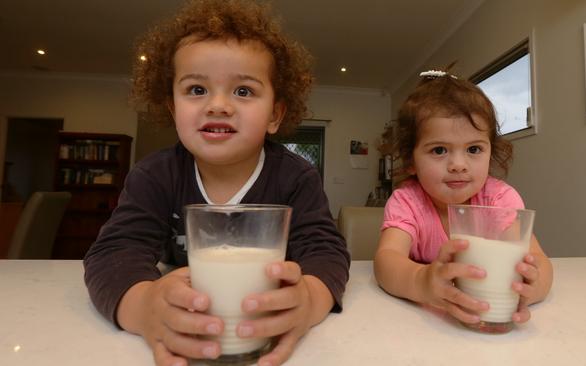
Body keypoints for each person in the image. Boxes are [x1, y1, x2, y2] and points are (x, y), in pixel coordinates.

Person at [83, 1, 350, 365]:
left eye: (243, 91)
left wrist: (310, 300)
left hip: (257, 322)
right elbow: (115, 254)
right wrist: (144, 307)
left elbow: (326, 252)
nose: (218, 105)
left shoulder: (296, 177)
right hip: (195, 316)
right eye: (196, 90)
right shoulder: (155, 176)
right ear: (173, 109)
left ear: (274, 114)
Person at [373, 69, 553, 327]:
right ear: (411, 160)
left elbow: (540, 262)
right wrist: (421, 281)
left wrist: (530, 289)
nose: (458, 164)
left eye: (473, 149)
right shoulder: (407, 202)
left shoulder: (499, 199)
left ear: (491, 151)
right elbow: (386, 260)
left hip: (490, 314)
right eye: (439, 150)